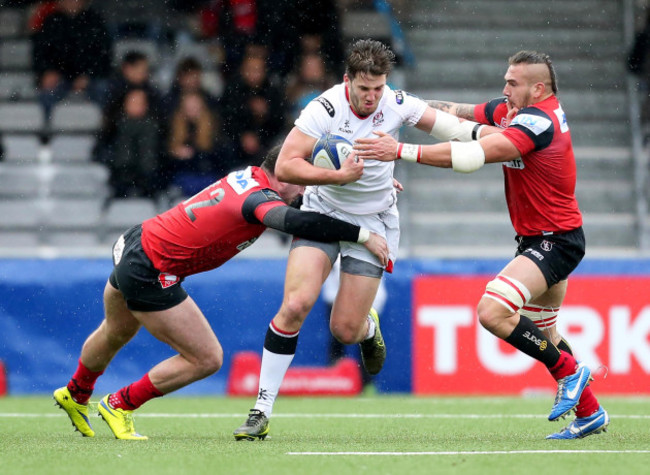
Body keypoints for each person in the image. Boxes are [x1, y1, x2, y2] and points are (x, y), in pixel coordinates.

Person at [353, 50, 609, 440]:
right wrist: (401, 104)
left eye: (513, 83)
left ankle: (571, 373)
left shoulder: (538, 122)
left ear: (538, 88)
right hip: (543, 237)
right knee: (547, 336)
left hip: (555, 241)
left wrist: (400, 151)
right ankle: (590, 413)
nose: (504, 88)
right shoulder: (512, 110)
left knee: (492, 311)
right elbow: (455, 113)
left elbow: (473, 156)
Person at [53, 145, 388, 440]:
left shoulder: (252, 177)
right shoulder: (259, 198)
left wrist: (366, 193)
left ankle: (76, 392)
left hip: (137, 241)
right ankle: (120, 404)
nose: (306, 188)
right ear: (283, 174)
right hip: (152, 269)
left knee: (115, 331)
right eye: (303, 179)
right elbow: (297, 222)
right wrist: (362, 235)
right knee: (206, 359)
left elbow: (301, 206)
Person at [233, 38, 467, 441]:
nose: (373, 97)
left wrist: (495, 122)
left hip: (374, 223)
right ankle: (261, 409)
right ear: (348, 82)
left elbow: (454, 127)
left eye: (379, 88)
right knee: (296, 304)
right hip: (322, 213)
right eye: (364, 90)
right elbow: (286, 167)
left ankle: (367, 329)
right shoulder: (324, 107)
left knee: (345, 329)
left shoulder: (396, 102)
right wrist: (337, 178)